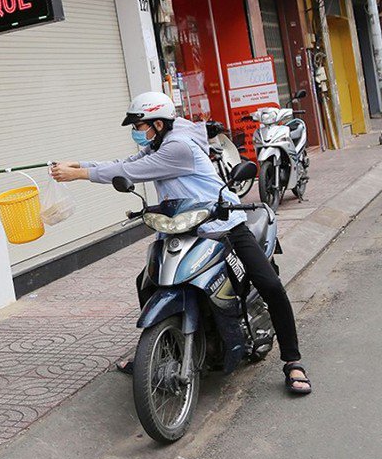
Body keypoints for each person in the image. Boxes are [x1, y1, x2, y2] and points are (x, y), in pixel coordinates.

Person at [50, 92, 312, 395]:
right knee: (148, 282)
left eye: (139, 125)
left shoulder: (178, 147)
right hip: (183, 226)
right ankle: (156, 351)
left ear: (158, 123)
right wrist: (80, 163)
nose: (137, 132)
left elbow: (130, 171)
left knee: (270, 284)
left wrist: (80, 174)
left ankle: (293, 361)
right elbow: (125, 163)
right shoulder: (159, 142)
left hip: (222, 222)